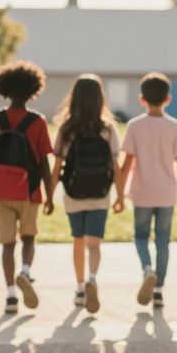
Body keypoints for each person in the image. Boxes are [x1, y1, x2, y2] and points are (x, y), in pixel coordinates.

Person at [0, 60, 55, 315]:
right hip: (29, 191)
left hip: (0, 191)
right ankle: (26, 272)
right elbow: (44, 162)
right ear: (33, 90)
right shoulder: (38, 122)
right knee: (29, 238)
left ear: (4, 89)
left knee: (7, 244)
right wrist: (50, 195)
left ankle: (11, 296)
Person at [113, 72, 177, 308]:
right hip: (166, 193)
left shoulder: (135, 126)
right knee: (163, 241)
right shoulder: (174, 126)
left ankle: (147, 269)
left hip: (142, 192)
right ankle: (158, 291)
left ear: (141, 99)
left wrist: (119, 195)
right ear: (168, 99)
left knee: (140, 236)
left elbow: (126, 165)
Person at [52, 74, 121, 315]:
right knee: (94, 244)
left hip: (73, 193)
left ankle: (80, 288)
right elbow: (116, 167)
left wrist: (49, 195)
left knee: (78, 241)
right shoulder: (108, 129)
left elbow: (57, 165)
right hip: (100, 194)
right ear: (100, 99)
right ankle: (93, 277)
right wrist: (120, 196)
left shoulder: (67, 129)